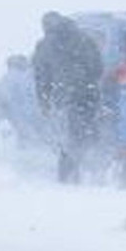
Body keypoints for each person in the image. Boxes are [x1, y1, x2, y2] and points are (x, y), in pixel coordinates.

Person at [32, 11, 104, 183]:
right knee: (89, 132)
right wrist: (88, 83)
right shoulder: (84, 38)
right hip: (89, 94)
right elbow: (97, 67)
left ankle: (69, 175)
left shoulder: (44, 46)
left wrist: (44, 102)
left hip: (62, 98)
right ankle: (94, 168)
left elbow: (41, 77)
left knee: (67, 137)